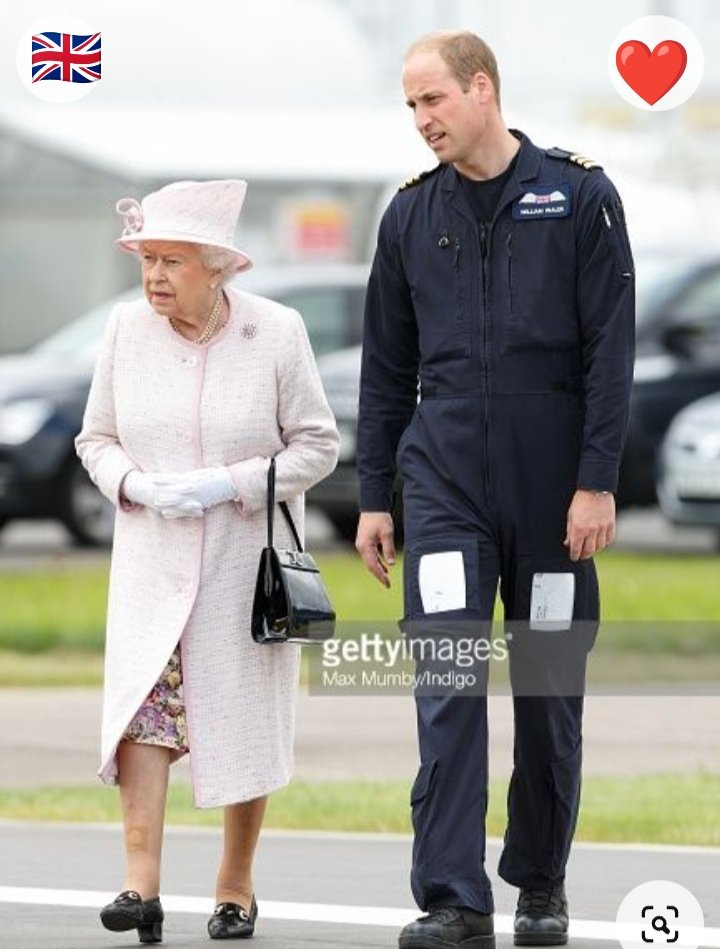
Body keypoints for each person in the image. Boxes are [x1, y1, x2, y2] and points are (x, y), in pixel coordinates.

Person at [356, 31, 634, 949]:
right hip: (444, 486)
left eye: (432, 99)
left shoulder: (580, 196)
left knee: (550, 690)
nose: (421, 120)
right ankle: (452, 897)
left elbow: (611, 357)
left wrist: (596, 481)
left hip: (556, 490)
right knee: (446, 681)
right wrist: (374, 496)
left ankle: (541, 883)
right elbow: (386, 372)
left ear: (483, 90)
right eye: (410, 106)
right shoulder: (408, 217)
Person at [75, 178, 339, 943]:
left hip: (242, 562)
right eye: (147, 259)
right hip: (152, 558)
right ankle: (140, 885)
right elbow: (96, 438)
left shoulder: (278, 331)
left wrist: (227, 483)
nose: (155, 276)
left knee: (242, 722)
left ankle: (235, 886)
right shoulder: (125, 331)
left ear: (218, 265)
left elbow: (317, 446)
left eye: (172, 261)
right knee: (144, 713)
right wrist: (135, 484)